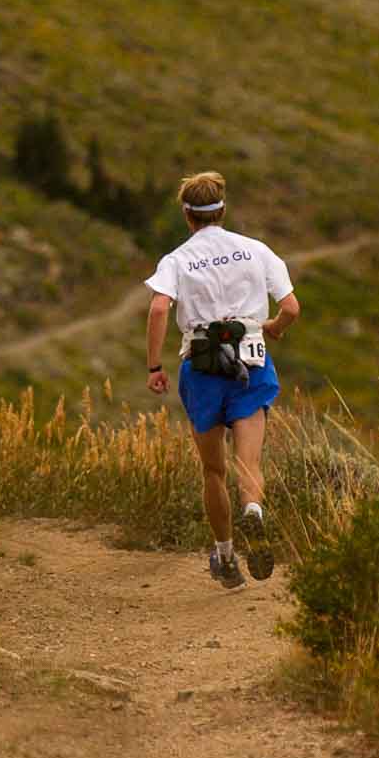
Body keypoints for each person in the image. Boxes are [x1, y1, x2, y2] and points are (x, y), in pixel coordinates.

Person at [144, 171, 300, 590]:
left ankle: (226, 556)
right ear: (223, 210)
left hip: (202, 364)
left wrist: (154, 366)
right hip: (250, 360)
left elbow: (159, 309)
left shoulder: (176, 260)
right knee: (248, 463)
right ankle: (254, 512)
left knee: (213, 470)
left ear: (187, 215)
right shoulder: (255, 250)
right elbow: (291, 306)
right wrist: (274, 328)